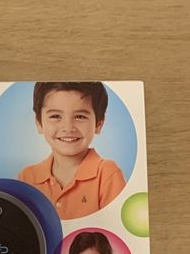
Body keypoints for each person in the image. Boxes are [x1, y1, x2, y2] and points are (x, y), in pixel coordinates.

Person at [18, 82, 126, 219]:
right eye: (55, 116)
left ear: (98, 124)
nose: (68, 128)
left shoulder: (107, 174)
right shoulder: (27, 177)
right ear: (39, 123)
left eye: (80, 116)